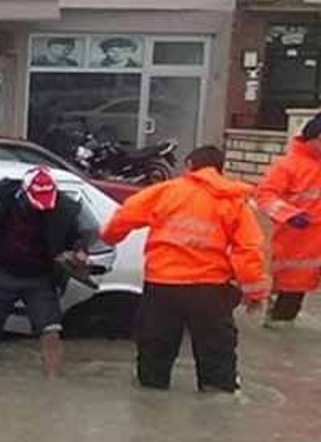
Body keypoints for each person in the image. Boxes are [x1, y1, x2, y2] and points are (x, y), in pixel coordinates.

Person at [101, 146, 268, 393]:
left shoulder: (164, 192)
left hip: (162, 287)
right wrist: (254, 294)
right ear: (220, 169)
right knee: (217, 363)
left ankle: (151, 411)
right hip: (209, 291)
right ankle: (216, 412)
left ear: (189, 165)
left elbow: (123, 218)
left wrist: (109, 238)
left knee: (153, 361)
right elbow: (249, 251)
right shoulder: (233, 201)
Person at [0, 166, 92, 377]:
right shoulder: (2, 197)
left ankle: (53, 382)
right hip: (2, 273)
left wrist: (79, 252)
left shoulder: (66, 208)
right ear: (24, 192)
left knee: (51, 332)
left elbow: (81, 236)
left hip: (40, 279)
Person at [254, 112, 321, 328]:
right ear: (314, 138)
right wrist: (289, 214)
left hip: (311, 240)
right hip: (297, 240)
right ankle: (279, 319)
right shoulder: (287, 166)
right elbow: (265, 195)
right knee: (291, 287)